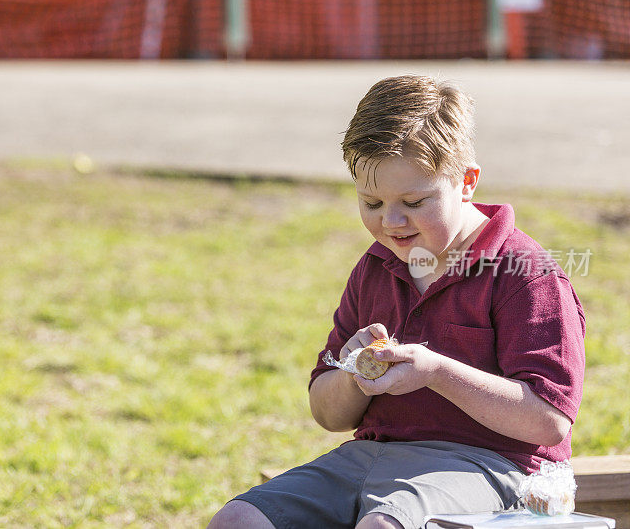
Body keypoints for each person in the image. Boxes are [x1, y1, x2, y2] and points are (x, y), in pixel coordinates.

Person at [207, 75, 586, 529]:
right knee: (240, 519)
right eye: (371, 202)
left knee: (384, 526)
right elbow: (327, 414)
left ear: (466, 182)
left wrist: (436, 371)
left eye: (413, 200)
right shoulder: (376, 267)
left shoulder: (525, 272)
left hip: (494, 468)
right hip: (368, 456)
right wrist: (352, 376)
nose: (391, 221)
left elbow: (549, 421)